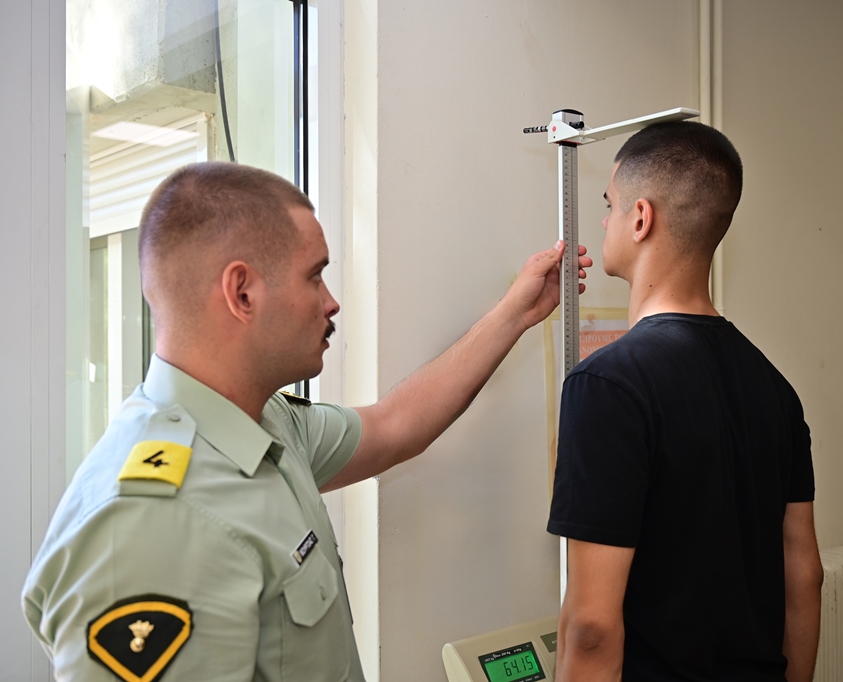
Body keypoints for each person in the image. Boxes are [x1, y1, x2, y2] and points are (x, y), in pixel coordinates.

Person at [22, 161, 592, 681]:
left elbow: (395, 425)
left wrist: (516, 311)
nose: (331, 301)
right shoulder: (153, 524)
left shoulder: (263, 423)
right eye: (314, 276)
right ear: (242, 293)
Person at [547, 121, 824, 682]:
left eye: (609, 205)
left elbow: (592, 626)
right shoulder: (775, 390)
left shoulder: (606, 385)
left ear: (641, 218)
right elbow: (805, 576)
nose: (603, 221)